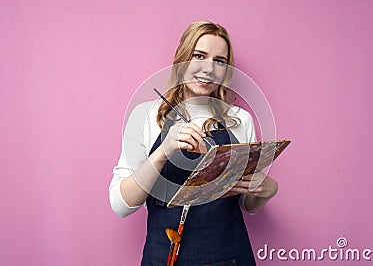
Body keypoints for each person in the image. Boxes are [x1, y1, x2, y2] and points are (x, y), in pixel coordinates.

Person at [109, 21, 279, 265]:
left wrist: (266, 191)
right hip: (164, 257)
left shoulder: (241, 120)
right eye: (199, 55)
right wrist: (162, 152)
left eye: (219, 61)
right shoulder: (145, 115)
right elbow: (121, 205)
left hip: (229, 257)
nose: (208, 69)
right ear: (182, 58)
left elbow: (246, 203)